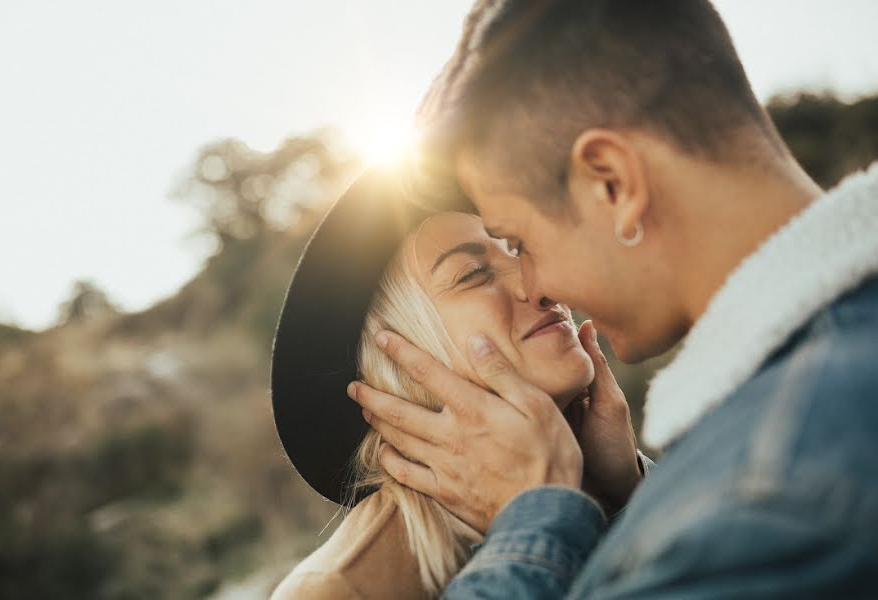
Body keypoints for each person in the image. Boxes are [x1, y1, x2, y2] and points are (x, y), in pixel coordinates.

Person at [349, 1, 878, 597]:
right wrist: (621, 499)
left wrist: (536, 515)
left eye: (519, 241)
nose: (535, 288)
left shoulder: (765, 494)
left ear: (611, 182)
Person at [270, 170, 648, 599]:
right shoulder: (339, 589)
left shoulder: (610, 479)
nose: (541, 285)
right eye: (472, 275)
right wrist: (540, 519)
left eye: (520, 251)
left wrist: (625, 496)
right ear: (402, 356)